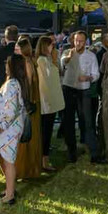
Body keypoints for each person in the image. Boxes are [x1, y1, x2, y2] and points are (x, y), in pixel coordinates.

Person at [61, 30, 104, 163]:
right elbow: (61, 67)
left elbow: (96, 74)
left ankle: (94, 153)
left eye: (80, 41)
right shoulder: (67, 53)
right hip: (69, 90)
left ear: (85, 42)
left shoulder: (90, 56)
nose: (78, 43)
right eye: (76, 40)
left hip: (83, 90)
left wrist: (88, 78)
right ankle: (71, 152)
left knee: (87, 121)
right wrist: (67, 59)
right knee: (68, 122)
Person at [0, 53, 28, 205]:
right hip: (10, 127)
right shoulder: (14, 82)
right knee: (7, 160)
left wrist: (2, 126)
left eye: (7, 64)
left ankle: (10, 195)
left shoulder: (12, 84)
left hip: (9, 128)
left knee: (8, 161)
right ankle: (9, 189)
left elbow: (11, 109)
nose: (5, 66)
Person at [14, 36, 42, 180]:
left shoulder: (26, 63)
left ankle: (26, 169)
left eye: (17, 49)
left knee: (26, 138)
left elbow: (28, 86)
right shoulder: (29, 61)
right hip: (31, 103)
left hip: (28, 105)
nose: (15, 51)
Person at [34, 36, 63, 173]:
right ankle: (43, 161)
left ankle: (44, 159)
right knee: (45, 133)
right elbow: (44, 83)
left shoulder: (48, 60)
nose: (53, 47)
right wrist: (47, 102)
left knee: (47, 132)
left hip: (50, 102)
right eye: (51, 45)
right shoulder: (41, 61)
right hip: (47, 103)